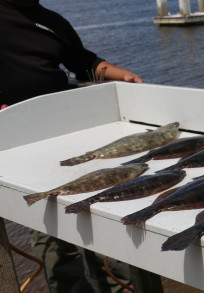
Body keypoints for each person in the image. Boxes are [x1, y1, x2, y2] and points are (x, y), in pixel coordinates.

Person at [1, 0, 163, 292]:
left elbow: (85, 63)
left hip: (75, 136)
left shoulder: (52, 20)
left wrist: (122, 76)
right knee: (53, 241)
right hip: (20, 150)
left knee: (108, 220)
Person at [0, 0, 143, 107]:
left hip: (60, 108)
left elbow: (86, 64)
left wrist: (127, 76)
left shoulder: (55, 21)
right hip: (9, 115)